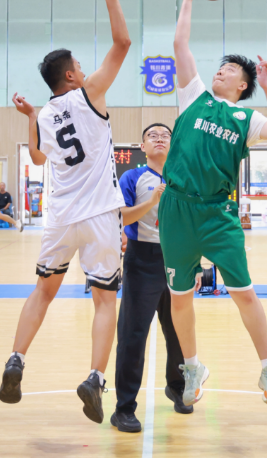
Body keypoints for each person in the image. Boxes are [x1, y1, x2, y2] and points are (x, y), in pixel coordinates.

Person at [0, 0, 130, 424]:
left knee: (42, 291)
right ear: (72, 76)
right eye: (79, 65)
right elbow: (123, 43)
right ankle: (95, 378)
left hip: (59, 217)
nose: (84, 68)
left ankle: (16, 359)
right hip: (99, 215)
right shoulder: (89, 92)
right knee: (105, 300)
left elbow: (37, 158)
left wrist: (30, 116)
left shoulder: (44, 116)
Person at [159, 0, 267, 410]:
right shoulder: (193, 96)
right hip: (176, 208)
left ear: (242, 85)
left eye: (230, 69)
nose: (221, 71)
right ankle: (192, 366)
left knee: (244, 293)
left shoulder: (245, 118)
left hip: (218, 213)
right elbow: (180, 45)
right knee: (180, 297)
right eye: (220, 66)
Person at [110, 123, 191, 433]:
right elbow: (122, 216)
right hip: (142, 260)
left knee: (180, 332)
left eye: (165, 135)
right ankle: (123, 408)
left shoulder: (183, 177)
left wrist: (197, 264)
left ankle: (177, 386)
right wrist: (152, 201)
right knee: (133, 336)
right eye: (152, 136)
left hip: (177, 258)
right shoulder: (132, 177)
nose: (159, 138)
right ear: (142, 147)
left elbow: (191, 221)